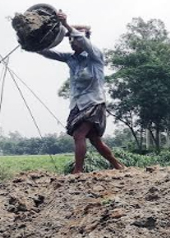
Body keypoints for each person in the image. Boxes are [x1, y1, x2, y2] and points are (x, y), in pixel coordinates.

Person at [35, 10, 124, 174]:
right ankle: (118, 165)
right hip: (77, 104)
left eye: (75, 38)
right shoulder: (71, 58)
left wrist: (66, 25)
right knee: (95, 140)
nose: (73, 41)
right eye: (70, 39)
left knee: (79, 135)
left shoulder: (95, 56)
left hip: (93, 102)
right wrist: (33, 43)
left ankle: (77, 171)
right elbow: (48, 53)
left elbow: (82, 38)